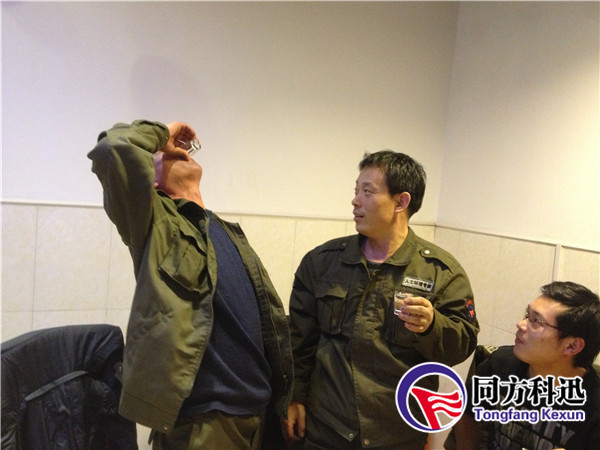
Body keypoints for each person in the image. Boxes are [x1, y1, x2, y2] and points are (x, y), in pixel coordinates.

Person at [88, 120, 293, 449]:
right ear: (151, 180)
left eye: (179, 150)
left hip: (258, 413)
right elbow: (114, 148)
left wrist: (285, 398)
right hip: (207, 421)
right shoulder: (155, 222)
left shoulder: (225, 231)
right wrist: (163, 134)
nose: (179, 152)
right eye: (164, 154)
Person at [282, 150, 479, 449]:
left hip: (397, 435)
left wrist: (431, 326)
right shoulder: (322, 262)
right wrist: (293, 397)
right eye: (356, 190)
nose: (355, 201)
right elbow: (299, 340)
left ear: (401, 202)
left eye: (368, 191)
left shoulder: (441, 272)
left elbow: (463, 345)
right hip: (326, 429)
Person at [449, 281, 600, 450]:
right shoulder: (501, 364)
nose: (520, 324)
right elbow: (468, 411)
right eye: (527, 315)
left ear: (572, 346)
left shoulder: (593, 406)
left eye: (536, 321)